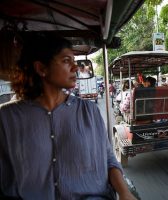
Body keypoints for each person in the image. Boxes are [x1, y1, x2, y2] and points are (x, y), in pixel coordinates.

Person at [0, 33, 136, 200]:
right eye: (66, 61)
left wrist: (124, 192)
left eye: (74, 61)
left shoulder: (89, 111)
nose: (75, 67)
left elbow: (108, 159)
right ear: (41, 69)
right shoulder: (6, 119)